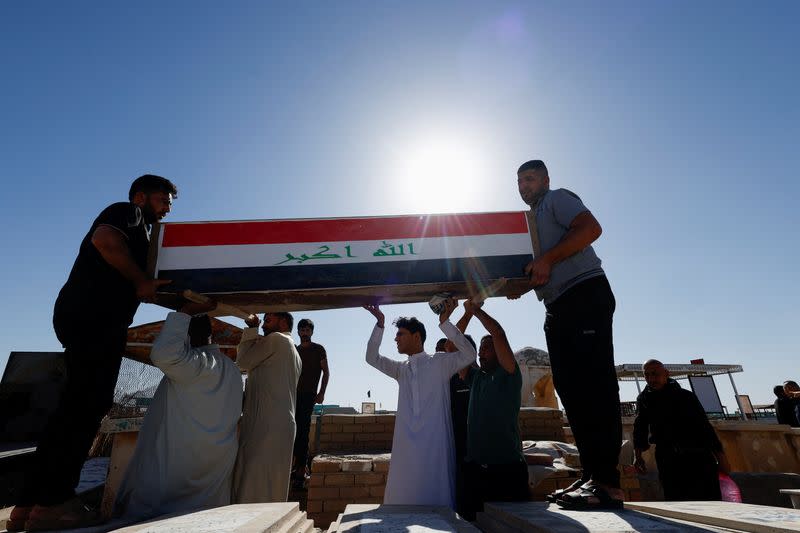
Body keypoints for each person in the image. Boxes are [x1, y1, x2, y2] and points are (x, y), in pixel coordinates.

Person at [9, 175, 177, 532]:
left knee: (70, 411)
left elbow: (148, 281)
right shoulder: (127, 211)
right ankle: (53, 504)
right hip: (94, 317)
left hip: (88, 318)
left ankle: (28, 505)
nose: (166, 209)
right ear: (141, 196)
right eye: (163, 201)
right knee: (86, 408)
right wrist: (139, 282)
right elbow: (105, 240)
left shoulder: (144, 236)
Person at [515, 159, 622, 509]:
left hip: (584, 294)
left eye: (529, 179)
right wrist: (520, 281)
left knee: (595, 386)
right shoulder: (529, 223)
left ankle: (608, 483)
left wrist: (546, 259)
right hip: (557, 305)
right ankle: (592, 475)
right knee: (572, 392)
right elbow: (539, 265)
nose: (524, 186)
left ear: (545, 179)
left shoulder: (556, 199)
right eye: (519, 182)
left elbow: (591, 228)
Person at [114, 299, 243, 520]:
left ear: (186, 335)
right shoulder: (230, 368)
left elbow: (165, 354)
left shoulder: (197, 365)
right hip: (215, 464)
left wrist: (183, 313)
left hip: (179, 466)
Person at [363, 298, 476, 508]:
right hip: (406, 447)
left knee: (438, 499)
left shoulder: (440, 362)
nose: (396, 339)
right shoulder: (401, 369)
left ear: (417, 337)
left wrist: (445, 323)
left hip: (436, 445)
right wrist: (380, 323)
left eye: (400, 334)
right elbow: (371, 357)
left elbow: (469, 354)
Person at [460, 301, 529, 520]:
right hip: (476, 470)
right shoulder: (476, 378)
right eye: (480, 350)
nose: (481, 354)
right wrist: (466, 314)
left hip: (507, 469)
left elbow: (498, 333)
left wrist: (476, 310)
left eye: (487, 348)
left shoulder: (509, 374)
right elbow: (453, 346)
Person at [633, 360, 730, 501]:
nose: (651, 379)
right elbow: (640, 426)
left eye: (655, 374)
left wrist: (721, 458)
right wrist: (638, 455)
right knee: (677, 501)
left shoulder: (685, 396)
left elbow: (705, 428)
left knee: (708, 500)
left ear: (666, 374)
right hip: (668, 458)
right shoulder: (644, 399)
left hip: (697, 456)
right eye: (647, 375)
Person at [232, 312, 301, 503]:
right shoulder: (293, 350)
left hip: (267, 425)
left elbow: (243, 362)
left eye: (268, 320)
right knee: (270, 487)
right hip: (278, 424)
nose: (264, 324)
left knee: (253, 486)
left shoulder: (277, 340)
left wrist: (251, 329)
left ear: (284, 322)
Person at [291, 318, 330, 490]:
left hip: (309, 395)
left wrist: (321, 392)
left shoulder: (318, 349)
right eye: (302, 330)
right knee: (292, 430)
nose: (305, 332)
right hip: (293, 395)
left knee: (304, 429)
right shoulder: (294, 350)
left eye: (308, 330)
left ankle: (302, 469)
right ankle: (294, 466)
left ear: (311, 332)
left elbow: (326, 372)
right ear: (298, 332)